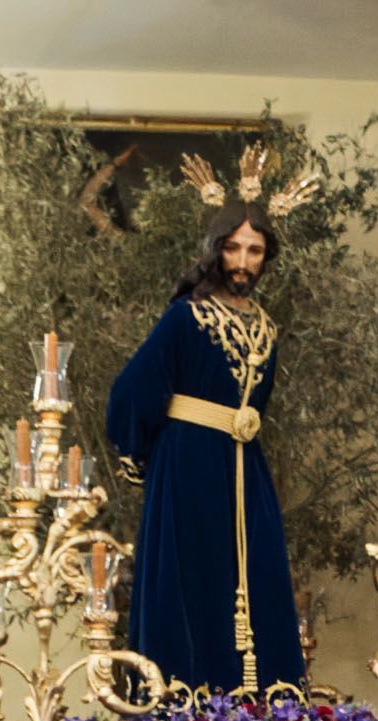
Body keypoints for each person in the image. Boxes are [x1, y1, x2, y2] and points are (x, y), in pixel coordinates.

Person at [108, 201, 304, 693]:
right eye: (233, 248)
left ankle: (257, 700)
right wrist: (145, 458)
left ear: (266, 257)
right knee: (193, 574)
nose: (243, 261)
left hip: (244, 468)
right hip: (188, 463)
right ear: (216, 250)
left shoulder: (267, 327)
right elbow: (134, 387)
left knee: (254, 574)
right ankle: (186, 700)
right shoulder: (186, 317)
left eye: (254, 251)